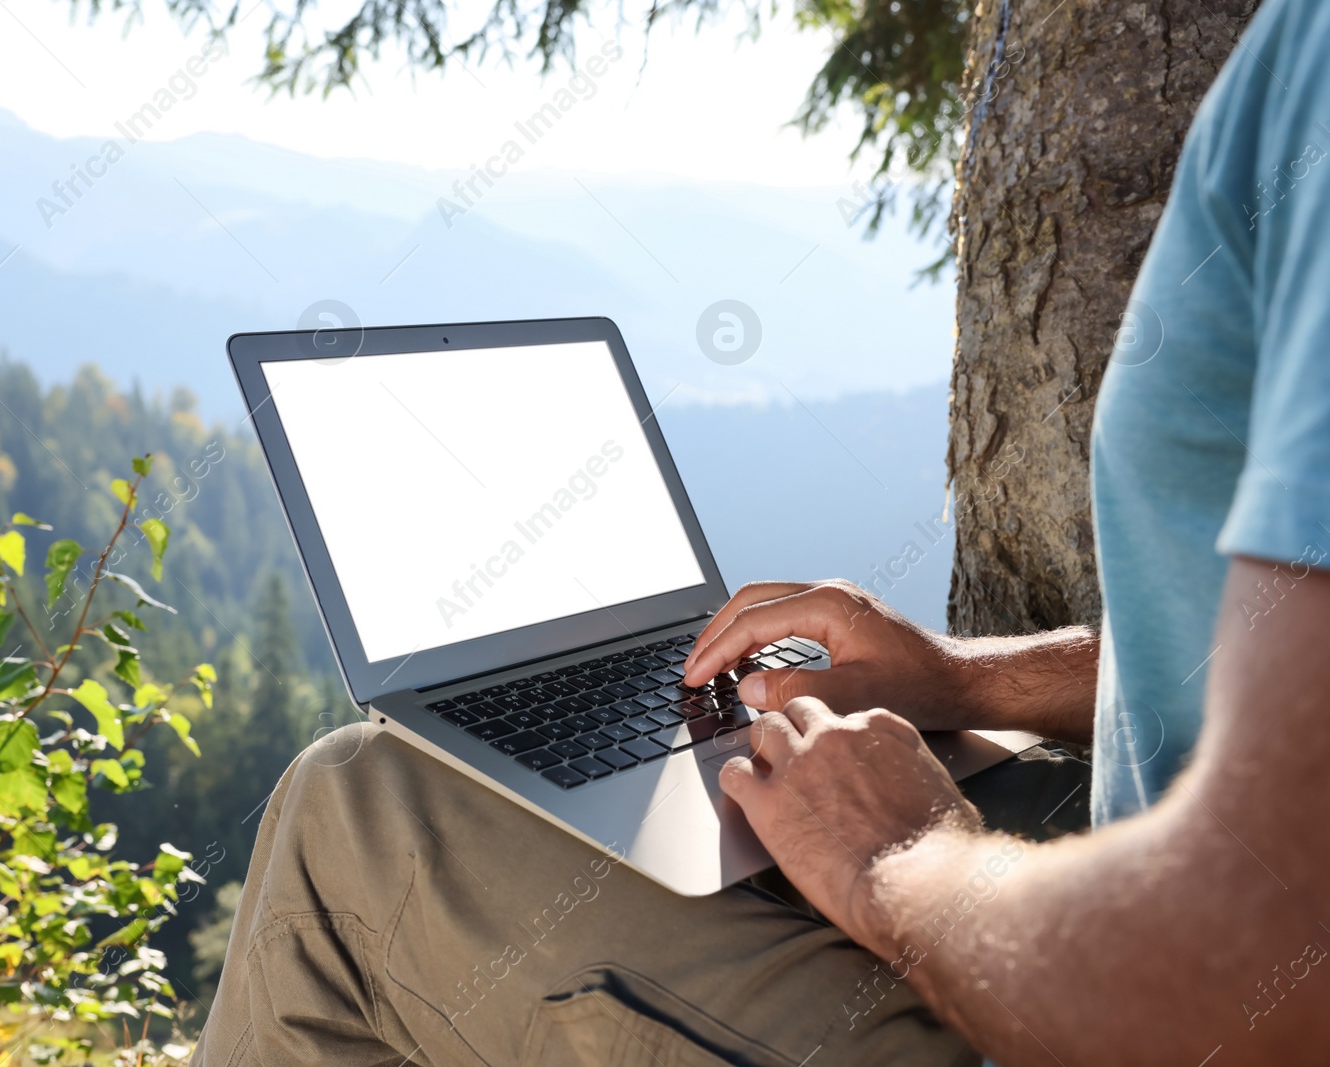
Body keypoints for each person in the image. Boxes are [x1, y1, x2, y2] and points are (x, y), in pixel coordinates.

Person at [188, 0, 1330, 1061]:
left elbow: (1265, 967)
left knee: (360, 802)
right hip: (1140, 830)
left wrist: (898, 862)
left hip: (1148, 990)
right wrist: (966, 679)